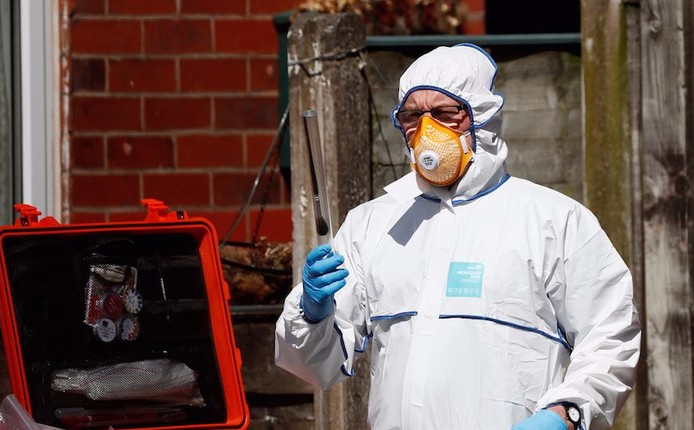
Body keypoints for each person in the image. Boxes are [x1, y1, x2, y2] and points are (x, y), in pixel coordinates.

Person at [274, 43, 641, 430]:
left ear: (482, 117)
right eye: (413, 116)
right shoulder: (373, 225)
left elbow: (610, 335)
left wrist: (567, 412)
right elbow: (315, 367)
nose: (427, 130)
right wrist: (312, 315)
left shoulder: (555, 221)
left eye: (446, 113)